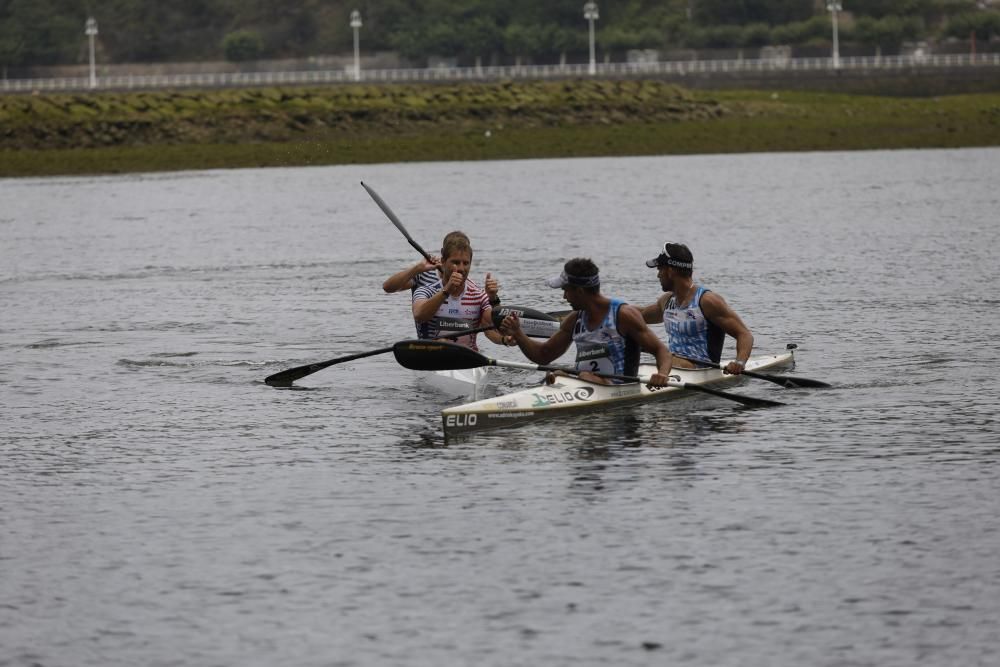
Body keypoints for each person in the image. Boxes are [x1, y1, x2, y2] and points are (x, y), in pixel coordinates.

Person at [499, 257, 672, 387]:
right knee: (556, 375)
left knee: (584, 377)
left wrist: (662, 374)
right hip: (584, 384)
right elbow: (544, 355)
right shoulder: (575, 319)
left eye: (566, 290)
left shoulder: (624, 315)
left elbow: (660, 350)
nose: (564, 296)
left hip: (619, 389)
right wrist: (519, 334)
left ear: (580, 291)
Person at [639, 242, 753, 375]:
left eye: (660, 269)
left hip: (702, 369)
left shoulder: (707, 301)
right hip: (672, 365)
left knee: (663, 357)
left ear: (670, 271)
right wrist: (612, 310)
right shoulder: (667, 301)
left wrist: (739, 362)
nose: (658, 275)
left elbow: (744, 334)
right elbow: (639, 314)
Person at [409, 232, 512, 350]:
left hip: (467, 360)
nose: (461, 269)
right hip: (433, 357)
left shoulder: (479, 295)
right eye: (456, 262)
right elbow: (419, 316)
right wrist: (447, 290)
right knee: (442, 344)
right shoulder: (425, 291)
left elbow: (494, 328)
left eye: (466, 263)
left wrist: (493, 299)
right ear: (443, 262)